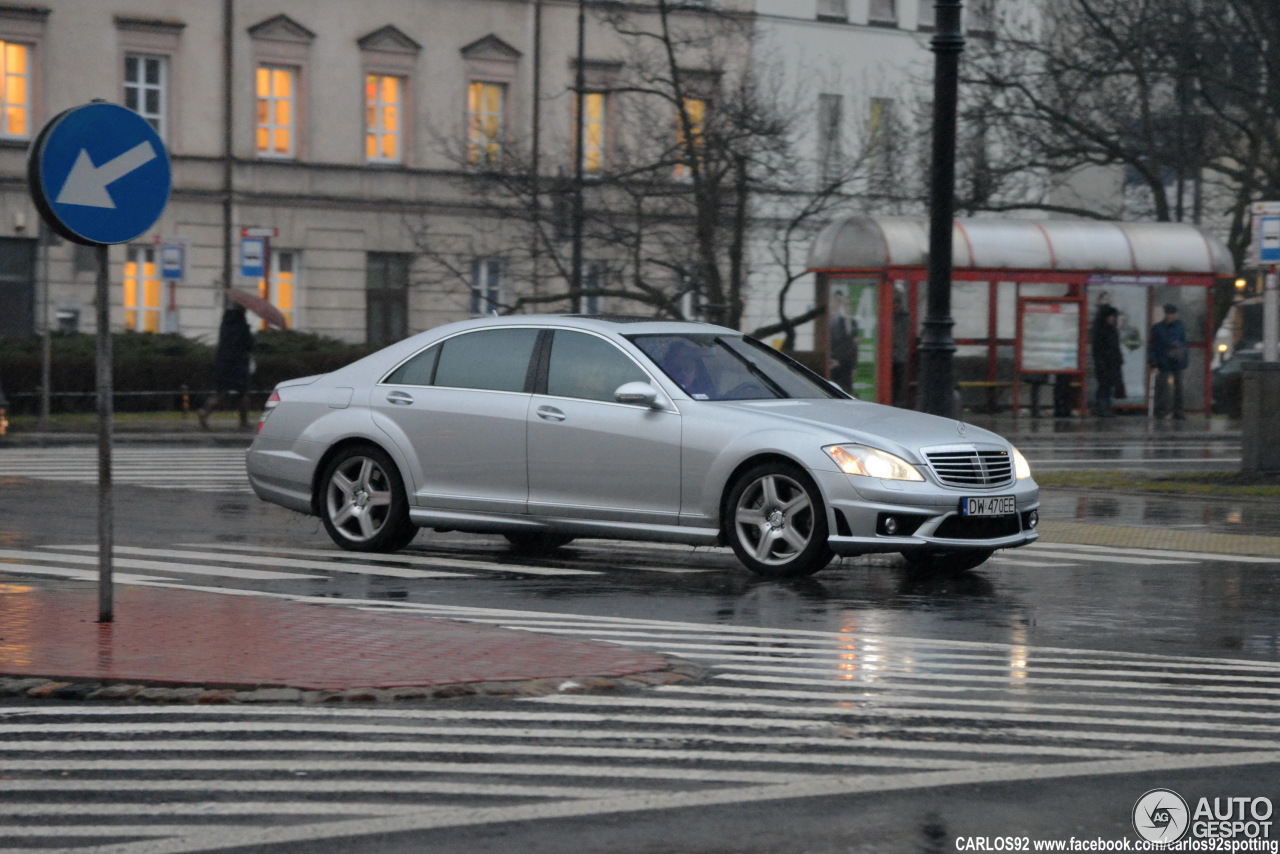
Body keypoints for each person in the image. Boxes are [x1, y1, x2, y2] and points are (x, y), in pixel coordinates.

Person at [198, 302, 254, 429]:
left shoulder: (225, 325)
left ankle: (204, 412)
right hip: (239, 365)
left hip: (222, 364)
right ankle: (244, 421)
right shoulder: (243, 326)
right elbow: (248, 345)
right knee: (243, 393)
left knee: (220, 393)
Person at [1148, 303, 1188, 420]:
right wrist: (1153, 360)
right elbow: (1153, 346)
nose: (1173, 317)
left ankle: (1177, 411)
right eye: (1171, 314)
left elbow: (1183, 343)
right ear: (1166, 315)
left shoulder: (1178, 326)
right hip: (1164, 361)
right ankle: (1161, 410)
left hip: (1176, 361)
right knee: (1163, 386)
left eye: (1174, 314)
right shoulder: (1158, 328)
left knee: (1178, 386)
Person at [1091, 305, 1124, 417]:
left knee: (1108, 386)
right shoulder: (1102, 330)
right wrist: (1102, 362)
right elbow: (1099, 350)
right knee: (1104, 386)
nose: (1113, 319)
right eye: (1111, 316)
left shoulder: (1111, 329)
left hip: (1112, 363)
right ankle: (1102, 408)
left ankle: (1105, 408)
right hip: (1104, 363)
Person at [828, 285, 859, 394]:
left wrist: (854, 366)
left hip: (847, 363)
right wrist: (833, 358)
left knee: (846, 391)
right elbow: (833, 341)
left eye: (849, 305)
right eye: (845, 304)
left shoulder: (852, 322)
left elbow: (854, 346)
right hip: (836, 363)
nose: (847, 307)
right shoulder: (835, 321)